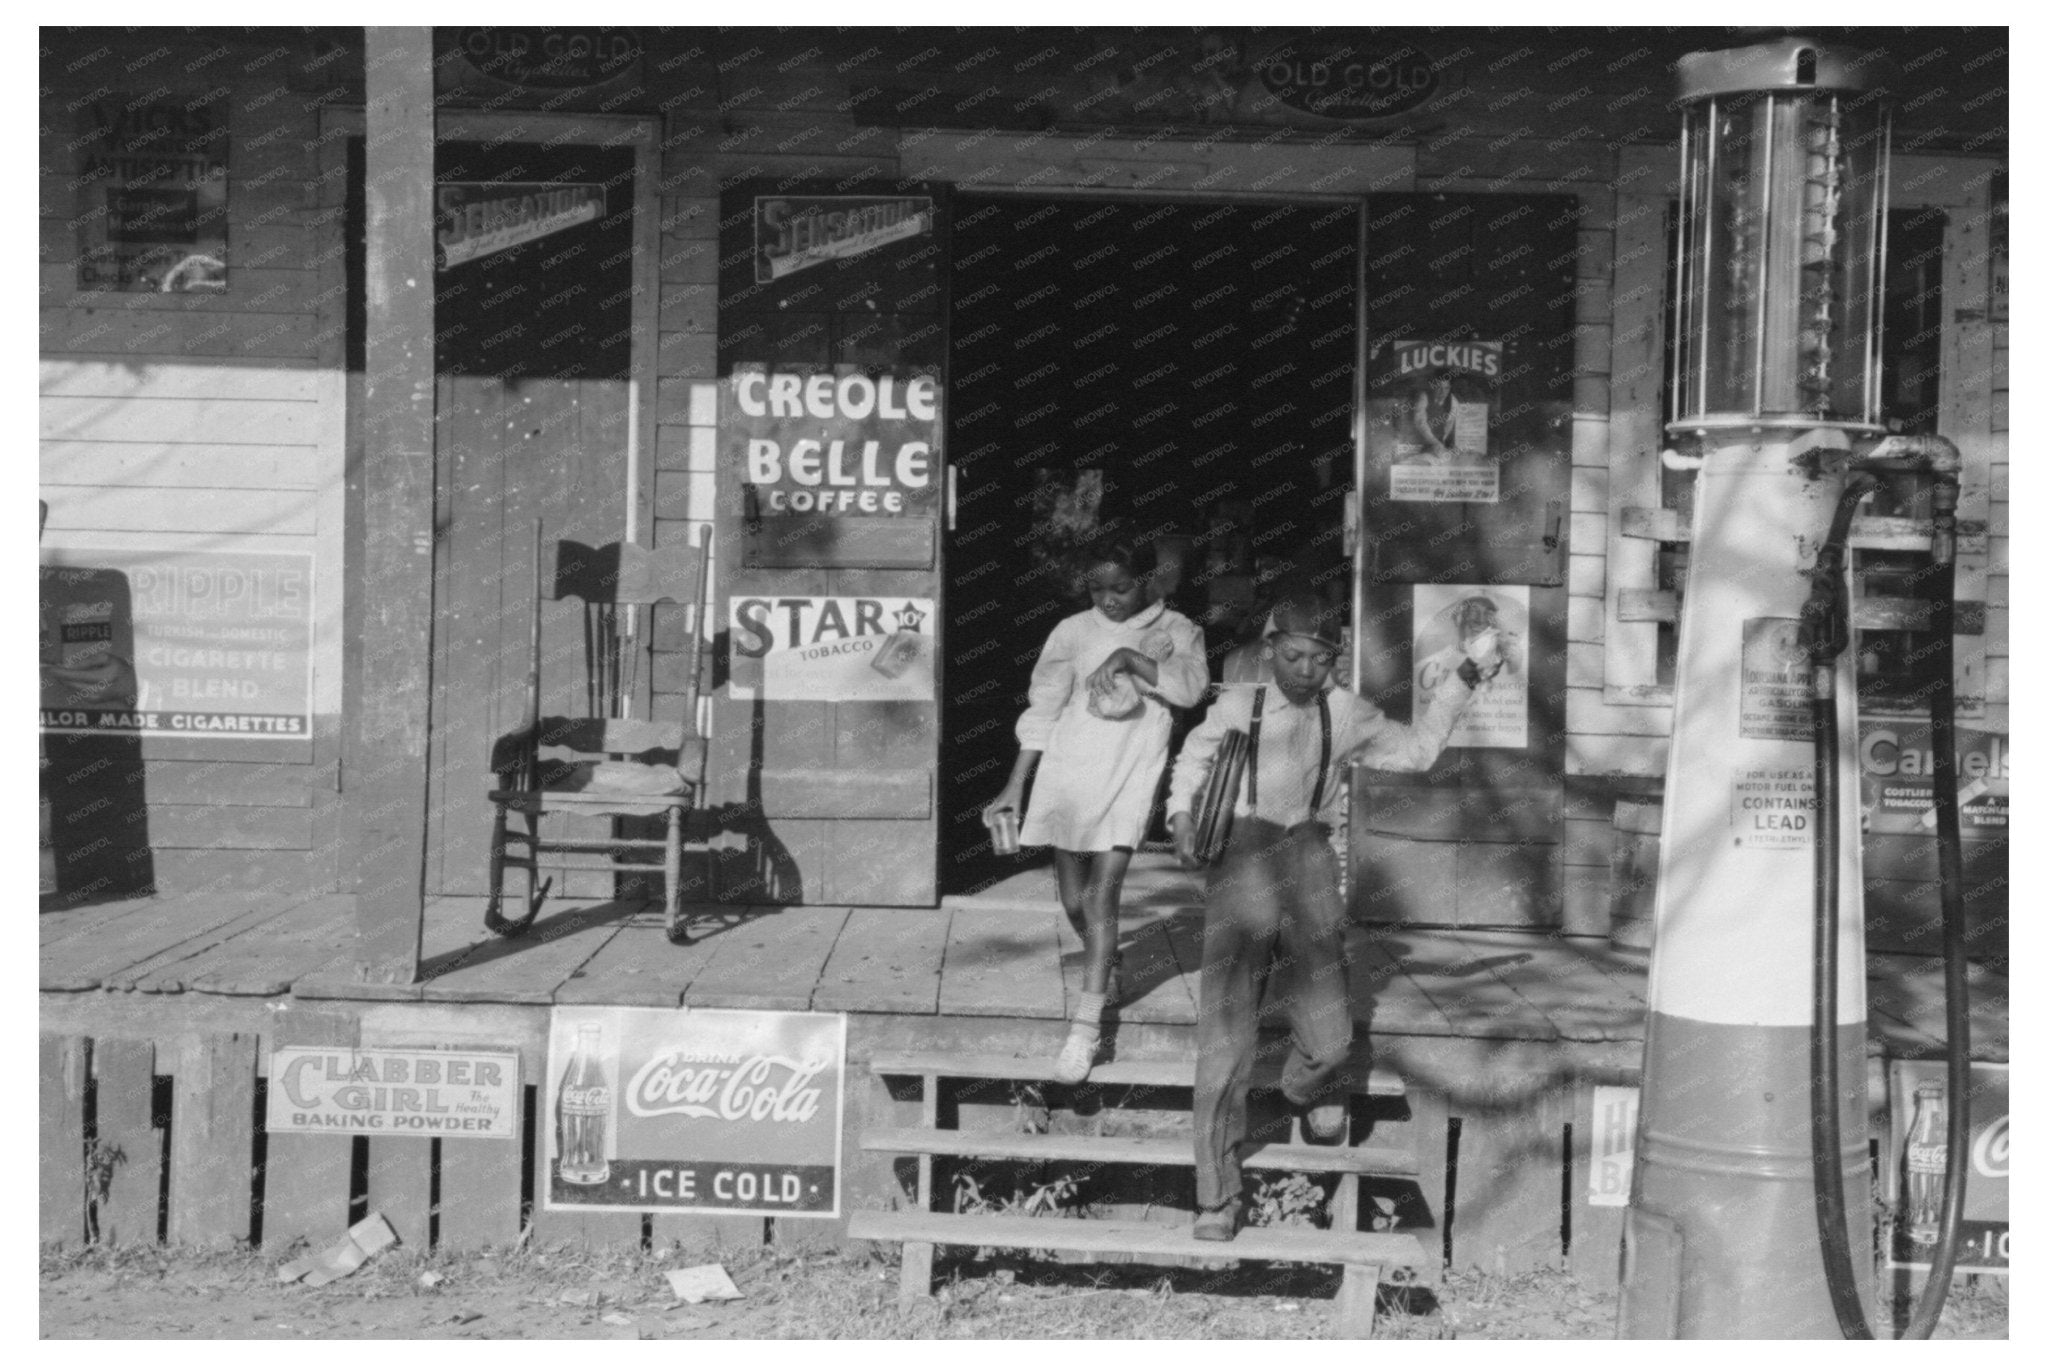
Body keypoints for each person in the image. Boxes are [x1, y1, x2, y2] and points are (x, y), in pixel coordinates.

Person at [1165, 591, 1500, 1241]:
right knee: (1224, 1037)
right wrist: (1181, 814)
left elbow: (1418, 752)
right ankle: (1217, 1194)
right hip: (1241, 856)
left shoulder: (1347, 714)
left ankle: (1297, 1090)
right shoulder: (1239, 705)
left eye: (1319, 661)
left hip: (1309, 857)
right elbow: (1192, 760)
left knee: (1331, 1040)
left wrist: (1461, 678)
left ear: (1335, 663)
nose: (1303, 672)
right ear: (1269, 654)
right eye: (1291, 657)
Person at [985, 533, 1209, 1083]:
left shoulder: (1178, 630)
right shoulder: (1072, 630)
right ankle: (1105, 961)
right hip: (1068, 770)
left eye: (1122, 587)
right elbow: (1044, 707)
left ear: (1149, 580)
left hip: (1132, 772)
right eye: (1099, 589)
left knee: (1100, 893)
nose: (1109, 600)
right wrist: (1015, 784)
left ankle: (1085, 1032)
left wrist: (1133, 656)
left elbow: (1191, 691)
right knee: (1071, 898)